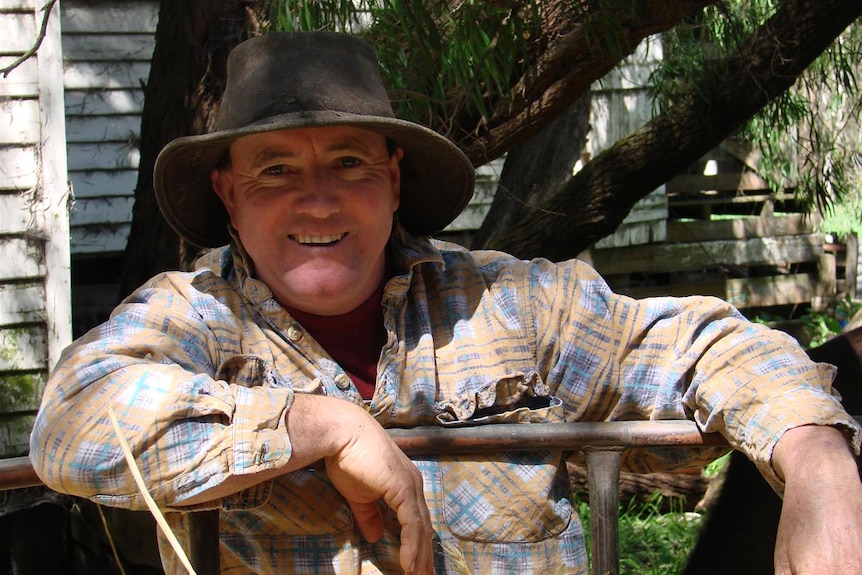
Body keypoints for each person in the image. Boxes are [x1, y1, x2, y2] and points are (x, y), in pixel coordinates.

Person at [29, 31, 862, 575]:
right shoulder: (194, 317)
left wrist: (820, 465)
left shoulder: (507, 304)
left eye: (349, 162)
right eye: (275, 169)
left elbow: (701, 345)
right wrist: (314, 426)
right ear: (228, 194)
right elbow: (70, 418)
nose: (316, 200)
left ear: (393, 180)